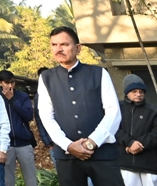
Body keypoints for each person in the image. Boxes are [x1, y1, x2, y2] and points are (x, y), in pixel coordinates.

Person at [38, 26, 124, 186]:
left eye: (64, 44)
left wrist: (92, 142)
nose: (58, 49)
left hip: (102, 154)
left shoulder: (98, 73)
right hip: (67, 156)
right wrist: (68, 145)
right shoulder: (46, 78)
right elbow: (46, 116)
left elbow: (113, 111)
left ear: (78, 48)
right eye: (54, 45)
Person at [0, 70, 38, 186]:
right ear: (0, 83)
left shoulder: (22, 96)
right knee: (7, 180)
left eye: (12, 82)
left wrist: (12, 99)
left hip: (24, 143)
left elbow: (29, 116)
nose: (10, 86)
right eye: (7, 83)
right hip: (5, 145)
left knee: (31, 179)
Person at [116, 74, 157, 186]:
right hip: (125, 163)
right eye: (134, 91)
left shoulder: (153, 110)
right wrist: (129, 142)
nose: (138, 94)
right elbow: (113, 129)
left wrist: (139, 145)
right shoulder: (117, 108)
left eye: (141, 91)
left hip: (149, 164)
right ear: (127, 92)